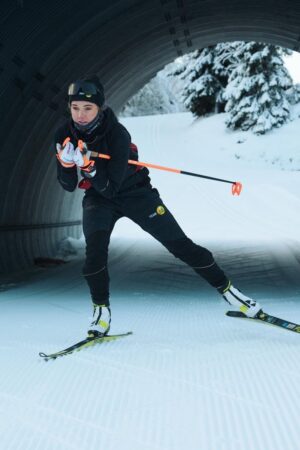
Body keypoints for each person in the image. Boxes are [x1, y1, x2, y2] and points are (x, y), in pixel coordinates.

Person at [55, 75, 262, 337]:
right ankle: (101, 313)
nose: (81, 115)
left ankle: (231, 293)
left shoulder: (117, 134)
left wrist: (88, 167)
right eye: (75, 108)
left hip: (134, 193)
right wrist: (65, 165)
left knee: (180, 245)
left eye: (87, 108)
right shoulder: (63, 134)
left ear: (100, 107)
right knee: (94, 254)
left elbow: (112, 187)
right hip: (98, 198)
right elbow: (68, 185)